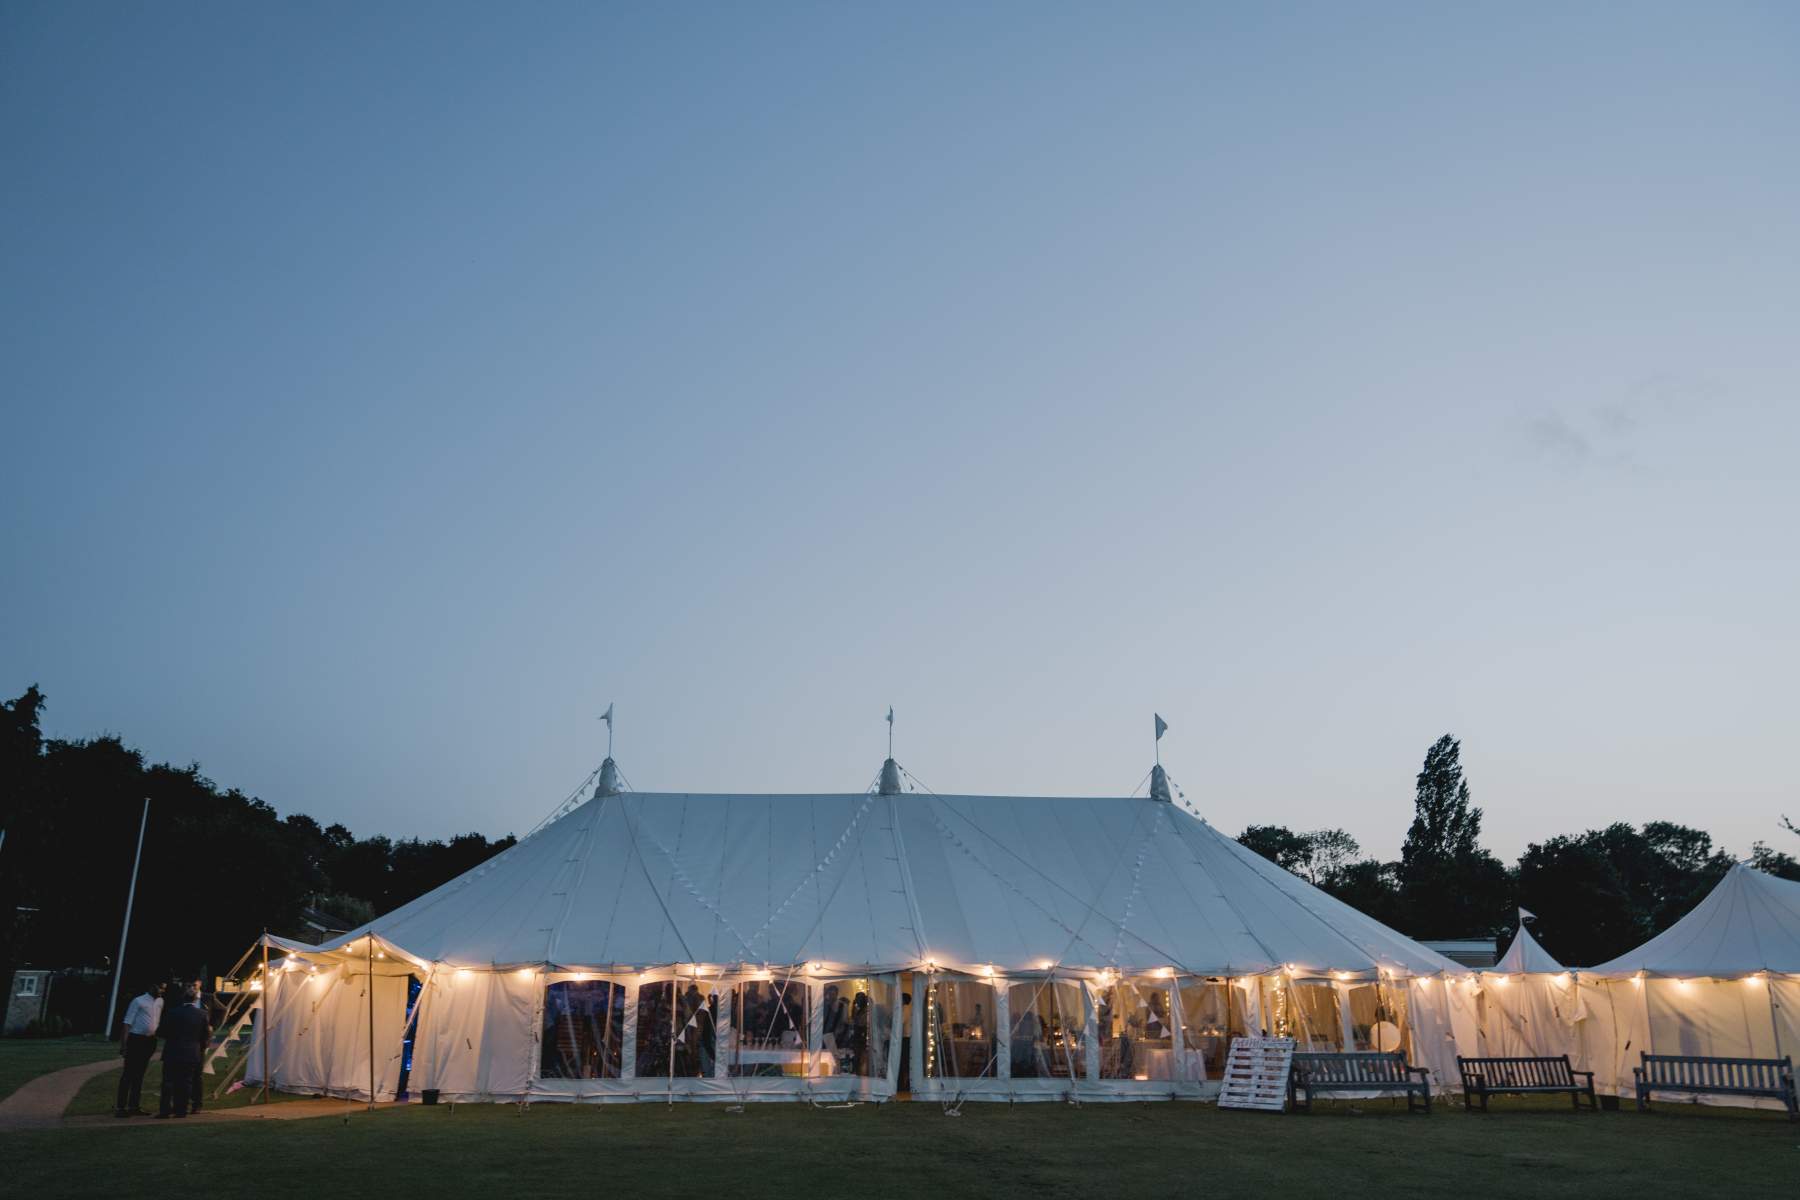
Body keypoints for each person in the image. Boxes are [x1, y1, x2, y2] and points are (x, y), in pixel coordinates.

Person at [155, 986, 209, 1118]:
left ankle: (165, 1110)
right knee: (186, 1081)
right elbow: (205, 1036)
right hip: (191, 1052)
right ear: (195, 998)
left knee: (168, 1081)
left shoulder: (172, 1012)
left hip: (173, 1050)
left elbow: (161, 1032)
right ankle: (181, 1110)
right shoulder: (202, 1014)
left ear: (183, 998)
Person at [115, 980, 165, 1117]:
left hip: (150, 1041)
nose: (161, 990)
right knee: (128, 1074)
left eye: (163, 988)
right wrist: (124, 1045)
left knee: (140, 1075)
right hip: (136, 1039)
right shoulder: (138, 1001)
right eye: (159, 987)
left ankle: (134, 1106)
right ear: (151, 986)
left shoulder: (160, 1002)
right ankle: (120, 1107)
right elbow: (127, 1023)